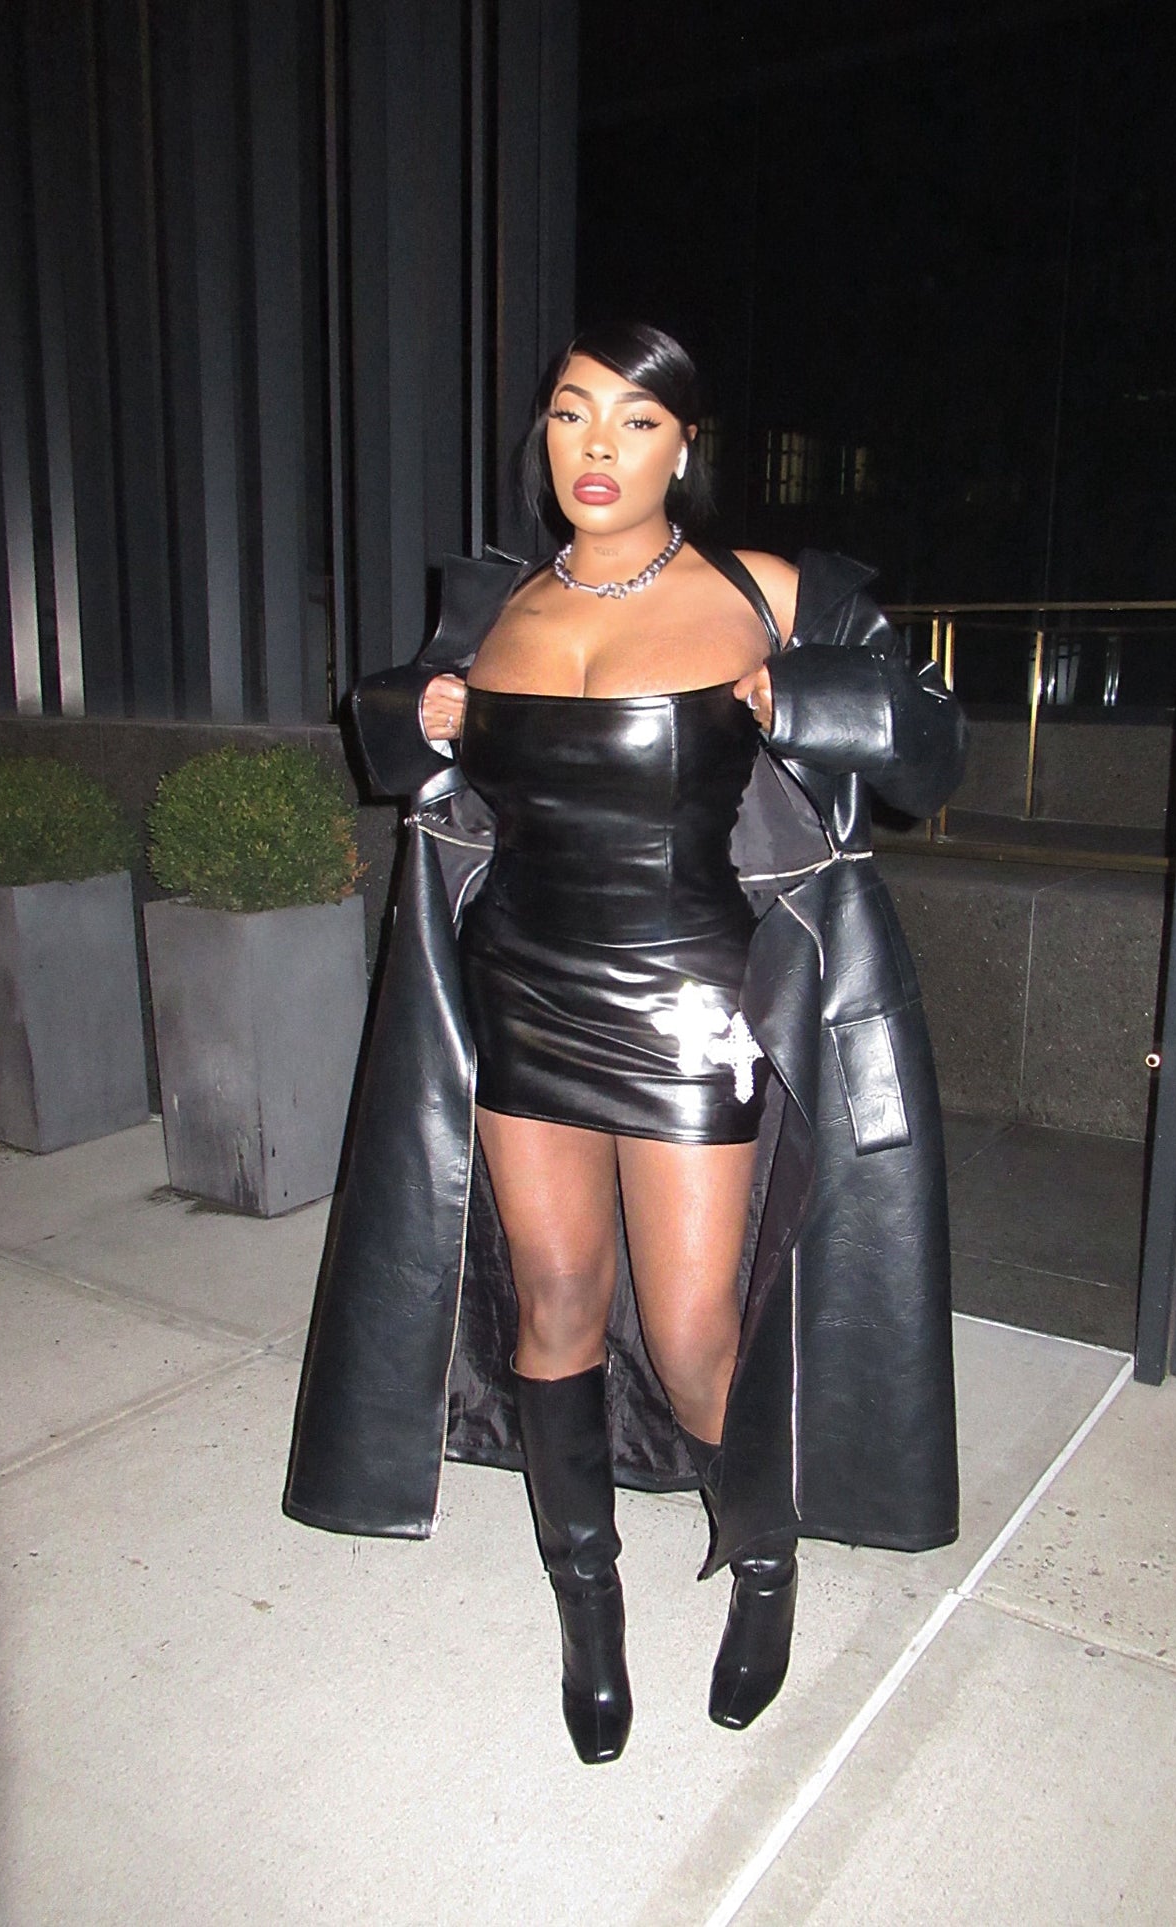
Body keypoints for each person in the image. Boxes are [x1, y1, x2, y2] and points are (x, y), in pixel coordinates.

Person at [284, 322, 968, 1767]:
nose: (597, 447)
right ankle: (585, 1605)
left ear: (684, 446)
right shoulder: (495, 609)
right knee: (553, 1301)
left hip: (694, 1004)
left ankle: (762, 1562)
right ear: (542, 433)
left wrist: (818, 702)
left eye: (636, 421)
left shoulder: (765, 592)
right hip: (522, 989)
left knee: (693, 1328)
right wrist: (421, 712)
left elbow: (928, 752)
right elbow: (395, 755)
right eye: (571, 414)